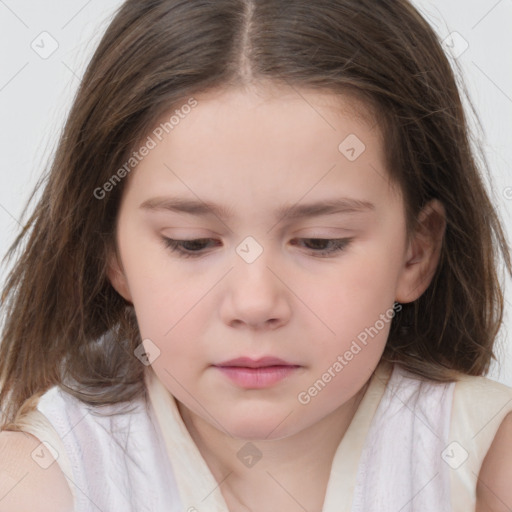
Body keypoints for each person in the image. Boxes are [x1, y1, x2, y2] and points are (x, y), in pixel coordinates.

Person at [0, 0, 511, 510]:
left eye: (320, 242)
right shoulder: (36, 483)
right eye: (191, 242)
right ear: (111, 254)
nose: (254, 302)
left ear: (415, 253)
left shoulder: (488, 461)